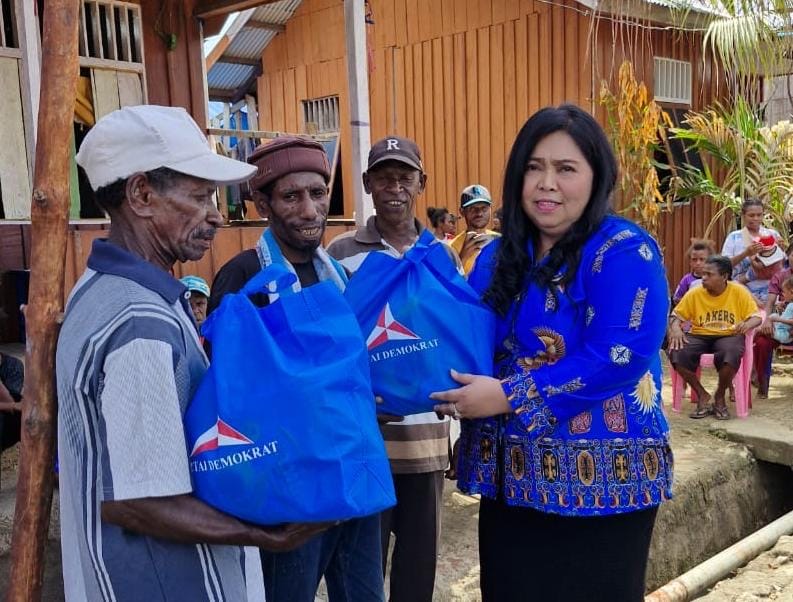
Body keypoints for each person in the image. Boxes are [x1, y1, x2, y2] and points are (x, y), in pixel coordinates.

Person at [56, 105, 326, 602]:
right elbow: (139, 502)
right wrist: (263, 534)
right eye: (200, 197)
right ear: (141, 194)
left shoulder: (103, 289)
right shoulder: (140, 323)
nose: (216, 215)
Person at [429, 105, 672, 602]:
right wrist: (424, 377)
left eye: (566, 169)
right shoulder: (498, 256)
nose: (547, 184)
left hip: (604, 491)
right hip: (511, 480)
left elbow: (619, 355)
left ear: (596, 177)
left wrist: (506, 396)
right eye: (534, 167)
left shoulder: (624, 250)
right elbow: (466, 338)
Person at [208, 136, 384, 602]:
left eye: (318, 193)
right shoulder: (245, 278)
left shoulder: (341, 278)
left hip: (354, 474)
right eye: (291, 196)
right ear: (263, 204)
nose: (309, 210)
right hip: (290, 488)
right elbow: (229, 391)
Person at [327, 136, 454, 602]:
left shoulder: (442, 254)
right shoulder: (339, 253)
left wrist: (457, 435)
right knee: (361, 569)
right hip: (366, 442)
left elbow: (452, 342)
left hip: (426, 440)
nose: (394, 187)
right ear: (366, 183)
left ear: (422, 183)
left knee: (417, 570)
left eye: (404, 177)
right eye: (383, 177)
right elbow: (333, 344)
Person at [668, 255, 762, 420]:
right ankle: (702, 394)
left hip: (729, 335)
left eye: (709, 274)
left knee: (731, 354)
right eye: (703, 274)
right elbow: (676, 316)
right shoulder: (695, 293)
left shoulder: (739, 291)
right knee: (676, 352)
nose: (703, 278)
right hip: (699, 334)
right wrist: (675, 328)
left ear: (724, 276)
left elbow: (757, 317)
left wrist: (747, 324)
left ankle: (719, 396)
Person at [721, 198, 782, 302]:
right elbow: (723, 266)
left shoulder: (772, 235)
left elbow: (781, 265)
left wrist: (780, 249)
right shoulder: (734, 237)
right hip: (741, 293)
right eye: (751, 215)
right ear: (743, 215)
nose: (756, 218)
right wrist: (745, 254)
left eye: (759, 215)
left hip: (771, 293)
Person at [754, 244, 793, 396]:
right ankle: (762, 381)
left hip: (787, 323)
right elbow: (770, 303)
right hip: (783, 324)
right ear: (788, 256)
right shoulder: (780, 276)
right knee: (761, 341)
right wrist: (768, 320)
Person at [449, 184, 500, 275]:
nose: (479, 213)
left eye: (484, 208)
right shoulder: (452, 248)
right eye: (473, 209)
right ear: (462, 212)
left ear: (490, 209)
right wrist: (462, 258)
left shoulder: (501, 241)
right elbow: (447, 281)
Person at [672, 238, 715, 304]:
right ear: (690, 262)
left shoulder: (715, 279)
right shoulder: (686, 280)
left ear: (710, 260)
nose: (698, 263)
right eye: (694, 259)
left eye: (702, 259)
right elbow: (676, 299)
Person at [770, 275, 793, 344]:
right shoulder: (790, 304)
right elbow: (787, 316)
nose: (782, 294)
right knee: (773, 315)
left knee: (766, 329)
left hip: (784, 334)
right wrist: (781, 310)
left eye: (784, 292)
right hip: (781, 329)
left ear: (792, 292)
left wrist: (778, 319)